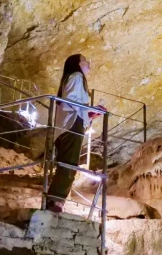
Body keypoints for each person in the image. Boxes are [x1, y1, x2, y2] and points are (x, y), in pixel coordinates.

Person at [46, 54, 105, 213]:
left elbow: (72, 103)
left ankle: (55, 200)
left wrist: (90, 113)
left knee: (67, 164)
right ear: (77, 64)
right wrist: (89, 111)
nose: (88, 62)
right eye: (85, 60)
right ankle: (55, 201)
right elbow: (70, 100)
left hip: (67, 125)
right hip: (72, 125)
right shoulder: (77, 76)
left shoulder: (72, 78)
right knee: (69, 165)